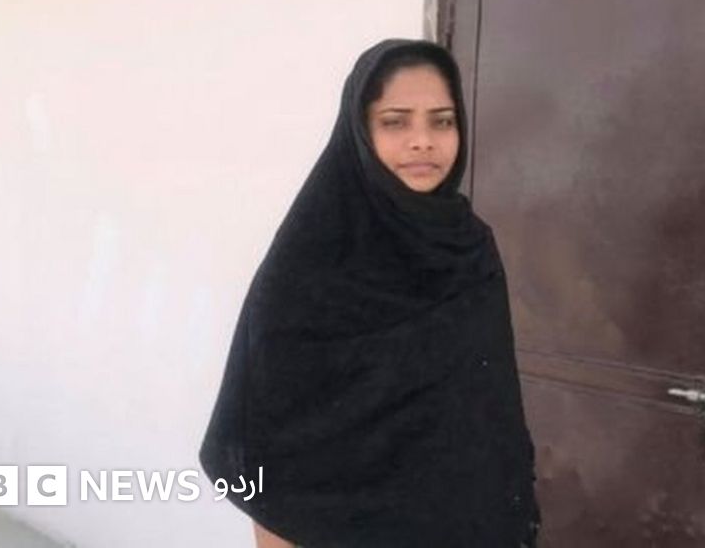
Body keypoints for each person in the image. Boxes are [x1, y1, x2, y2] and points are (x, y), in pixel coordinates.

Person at [199, 38, 541, 548]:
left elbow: (491, 416)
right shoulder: (308, 264)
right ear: (359, 132)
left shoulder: (468, 248)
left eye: (442, 121)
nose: (423, 141)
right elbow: (266, 445)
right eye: (395, 122)